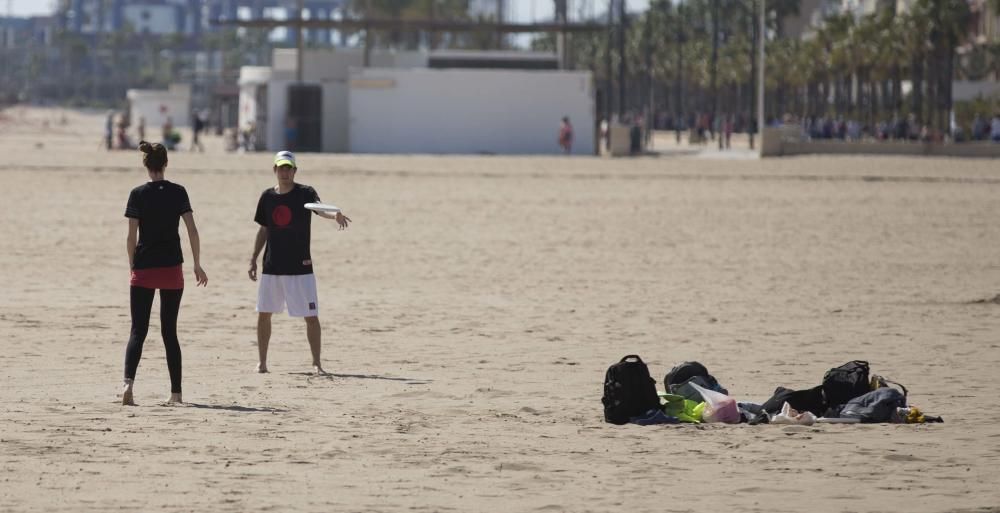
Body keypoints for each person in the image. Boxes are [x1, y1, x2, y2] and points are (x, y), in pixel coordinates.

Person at [122, 141, 208, 406]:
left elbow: (131, 236)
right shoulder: (179, 192)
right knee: (169, 332)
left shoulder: (137, 194)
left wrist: (132, 266)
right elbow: (192, 230)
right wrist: (197, 263)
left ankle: (128, 385)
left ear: (147, 166)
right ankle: (176, 394)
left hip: (145, 267)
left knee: (138, 330)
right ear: (166, 164)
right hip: (172, 268)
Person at [249, 151, 351, 375]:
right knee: (264, 314)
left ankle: (316, 363)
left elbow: (318, 209)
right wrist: (254, 259)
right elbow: (264, 229)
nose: (285, 172)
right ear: (274, 170)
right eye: (281, 168)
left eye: (289, 168)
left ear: (295, 171)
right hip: (272, 266)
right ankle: (262, 362)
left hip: (300, 267)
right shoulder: (267, 197)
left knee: (311, 317)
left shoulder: (305, 192)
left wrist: (335, 215)